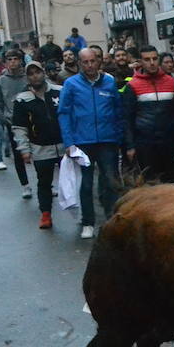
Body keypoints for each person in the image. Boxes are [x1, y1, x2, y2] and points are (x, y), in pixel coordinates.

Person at [57, 46, 124, 238]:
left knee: (110, 181)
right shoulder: (71, 84)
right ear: (79, 63)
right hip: (82, 141)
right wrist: (69, 142)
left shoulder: (109, 82)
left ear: (99, 61)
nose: (89, 65)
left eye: (92, 61)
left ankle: (112, 219)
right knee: (85, 184)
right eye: (85, 62)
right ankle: (88, 222)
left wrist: (118, 137)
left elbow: (117, 110)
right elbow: (64, 113)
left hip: (107, 139)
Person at [11, 62, 65, 229]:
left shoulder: (59, 91)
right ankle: (46, 214)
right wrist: (24, 150)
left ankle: (81, 213)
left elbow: (69, 116)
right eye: (31, 73)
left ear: (44, 73)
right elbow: (19, 127)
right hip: (40, 148)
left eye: (38, 72)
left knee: (72, 181)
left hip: (64, 146)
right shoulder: (22, 100)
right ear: (27, 77)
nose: (35, 76)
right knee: (44, 182)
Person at [122, 45, 174, 184]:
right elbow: (127, 118)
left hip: (169, 141)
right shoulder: (132, 86)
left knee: (171, 183)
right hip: (145, 143)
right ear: (140, 62)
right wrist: (130, 146)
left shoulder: (171, 82)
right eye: (147, 59)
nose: (152, 63)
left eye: (154, 58)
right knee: (148, 183)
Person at [0, 49, 33, 198]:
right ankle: (25, 185)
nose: (13, 62)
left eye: (15, 58)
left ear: (21, 60)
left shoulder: (29, 77)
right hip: (13, 123)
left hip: (33, 120)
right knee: (18, 155)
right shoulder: (0, 81)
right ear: (5, 63)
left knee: (39, 153)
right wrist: (5, 119)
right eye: (9, 59)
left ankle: (47, 184)